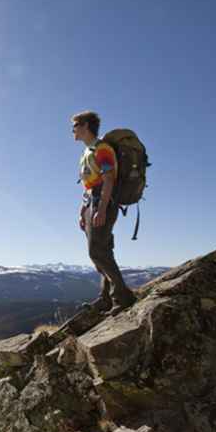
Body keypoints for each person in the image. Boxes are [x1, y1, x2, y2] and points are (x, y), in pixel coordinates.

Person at [72, 111, 136, 315]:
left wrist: (101, 210)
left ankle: (123, 297)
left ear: (86, 126)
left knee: (97, 251)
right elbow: (89, 185)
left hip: (103, 202)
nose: (72, 130)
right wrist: (83, 210)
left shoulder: (102, 149)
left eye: (75, 125)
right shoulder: (87, 152)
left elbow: (109, 179)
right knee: (101, 251)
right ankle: (105, 298)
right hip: (93, 202)